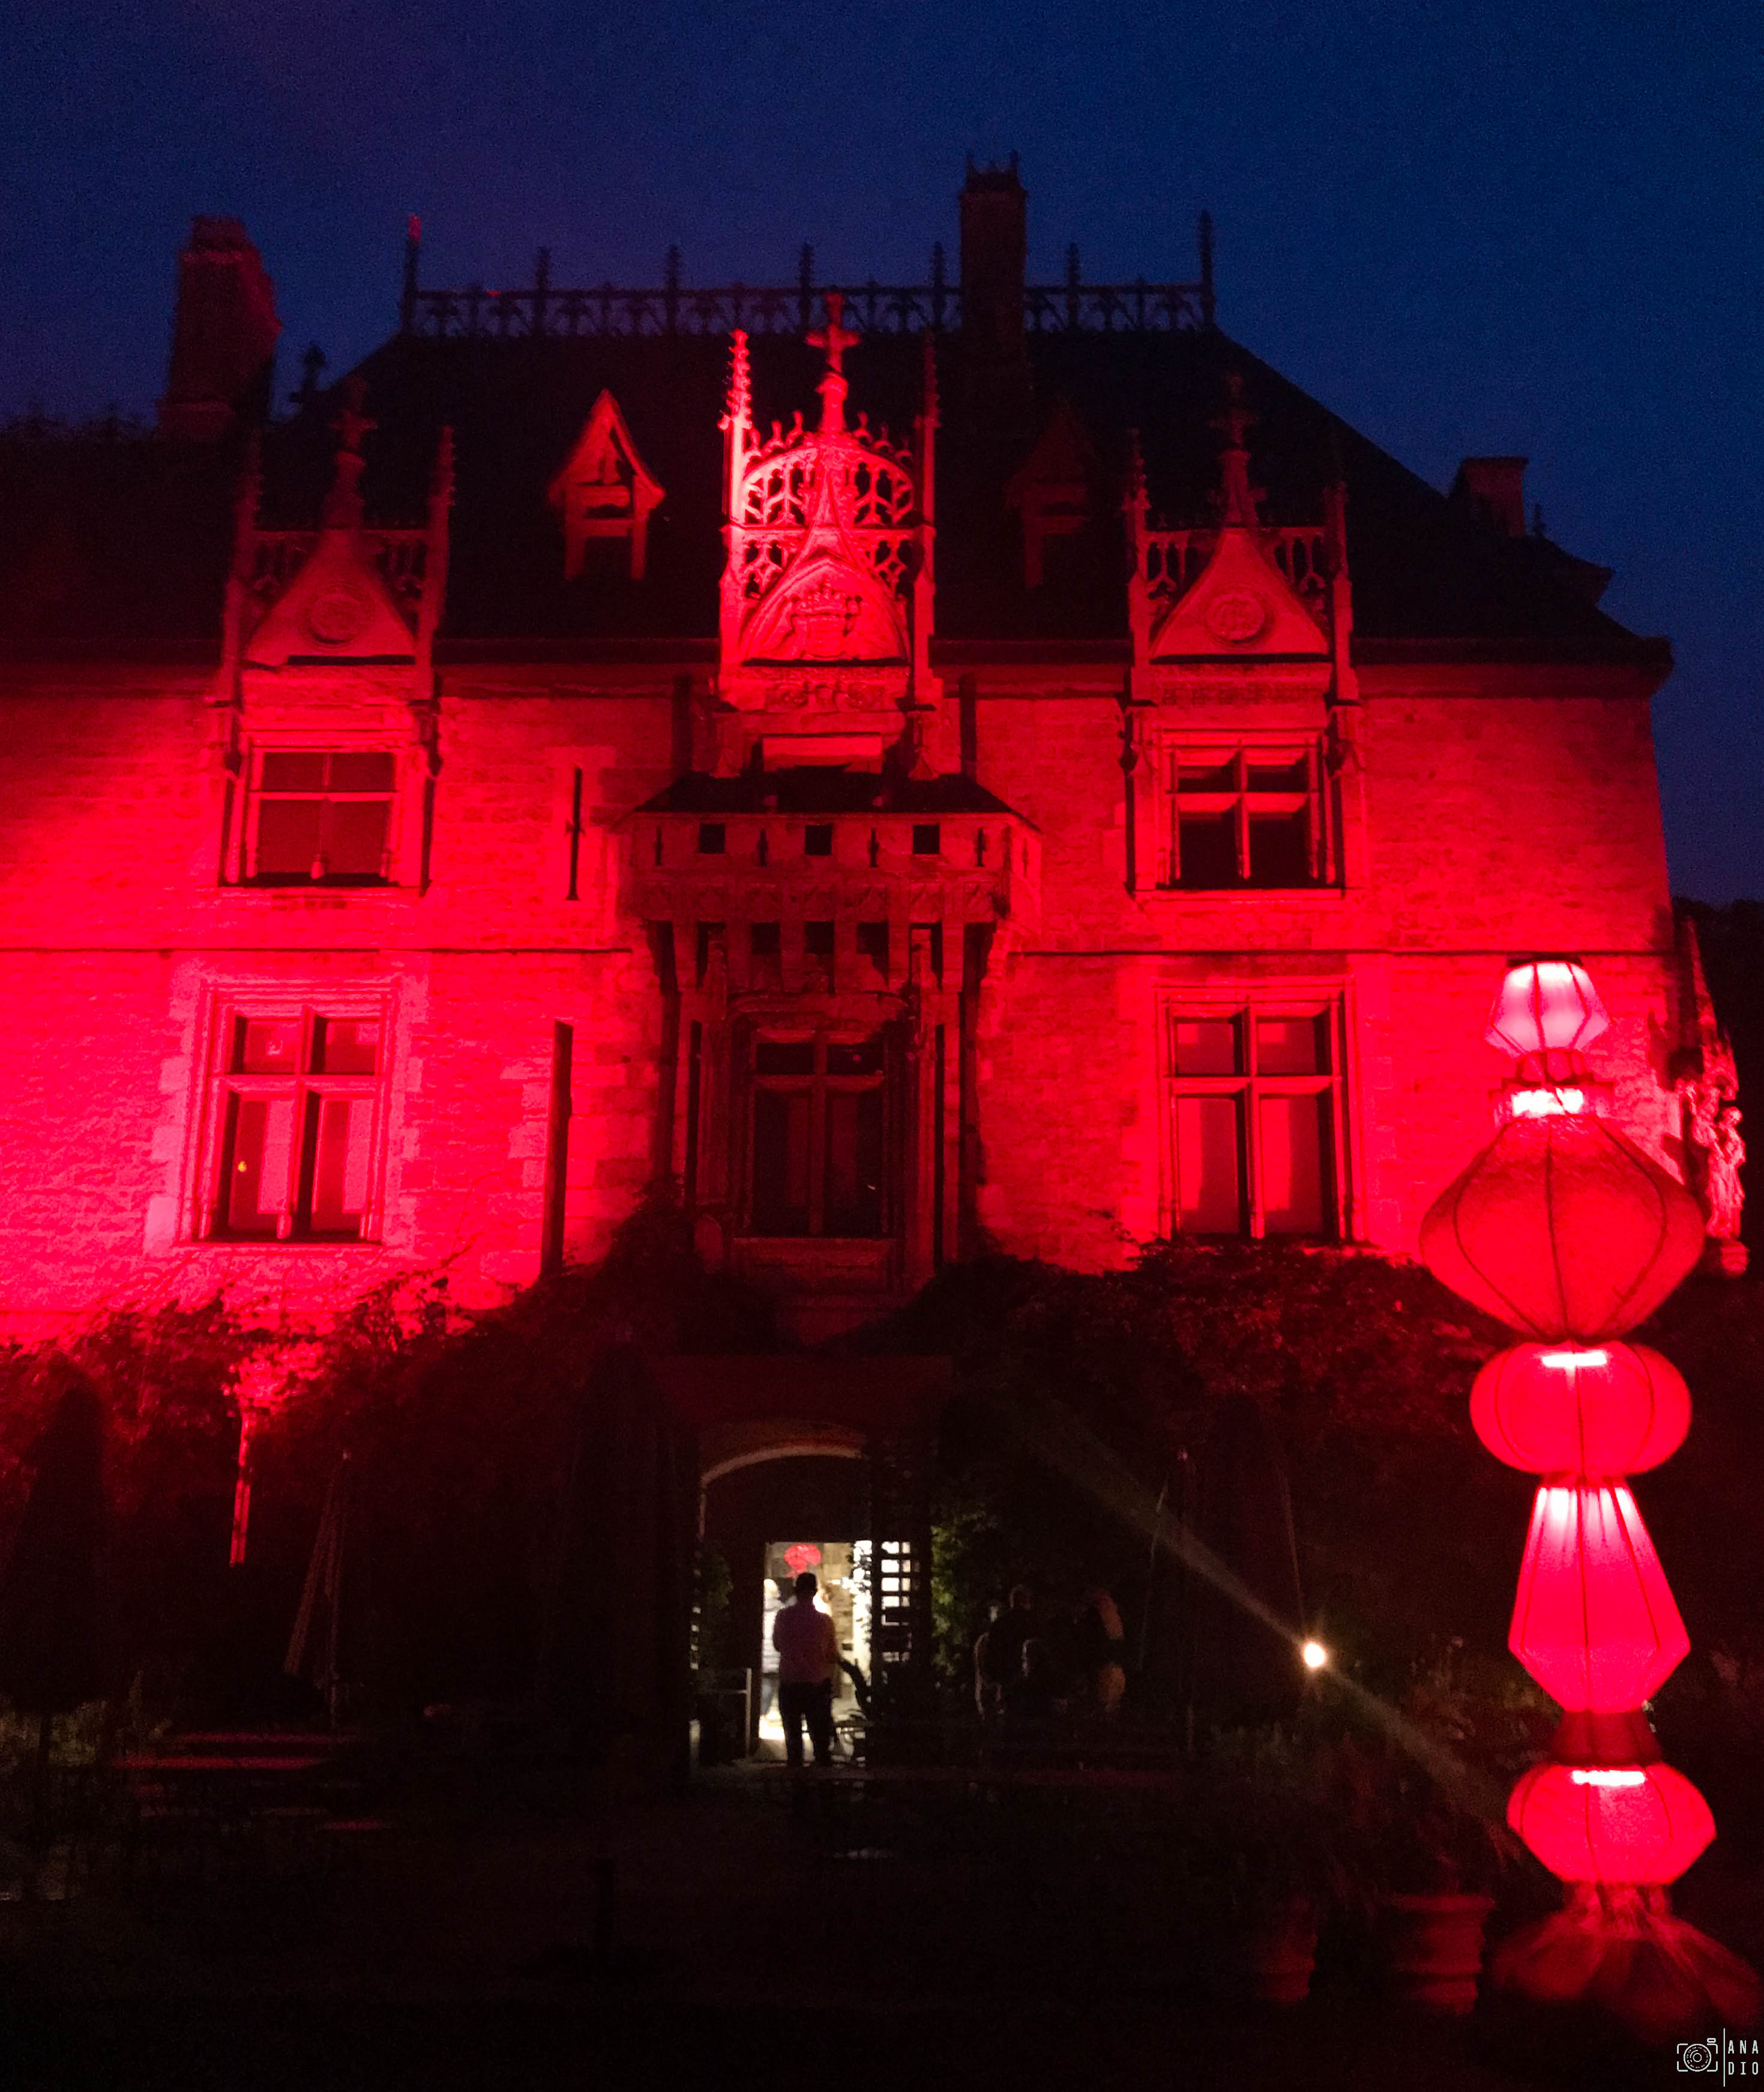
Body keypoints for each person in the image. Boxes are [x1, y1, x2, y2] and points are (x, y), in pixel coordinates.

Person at [772, 1570, 840, 1769]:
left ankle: (797, 1782)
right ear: (815, 1592)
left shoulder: (783, 1617)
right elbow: (832, 1654)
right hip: (817, 1684)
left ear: (796, 1591)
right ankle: (823, 1782)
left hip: (790, 1682)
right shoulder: (825, 1622)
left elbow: (777, 1645)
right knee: (820, 1740)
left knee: (793, 1740)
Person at [976, 1584, 1036, 1720]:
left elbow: (991, 1654)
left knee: (1009, 1718)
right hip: (1027, 1681)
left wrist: (996, 1677)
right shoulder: (1032, 1622)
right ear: (1026, 1601)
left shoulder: (1000, 1624)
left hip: (1006, 1680)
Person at [1073, 1584, 1128, 1717]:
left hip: (1103, 1668)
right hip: (1113, 1667)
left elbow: (1089, 1643)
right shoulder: (1113, 1612)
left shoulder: (1095, 1613)